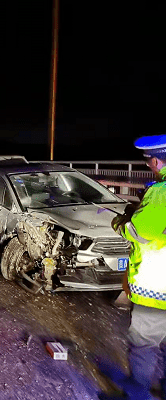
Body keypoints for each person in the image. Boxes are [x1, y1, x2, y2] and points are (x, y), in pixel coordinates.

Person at [108, 133, 166, 399]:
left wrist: (121, 222)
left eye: (148, 161)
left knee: (145, 343)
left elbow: (139, 231)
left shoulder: (160, 192)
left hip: (158, 287)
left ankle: (137, 396)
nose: (147, 166)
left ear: (156, 160)